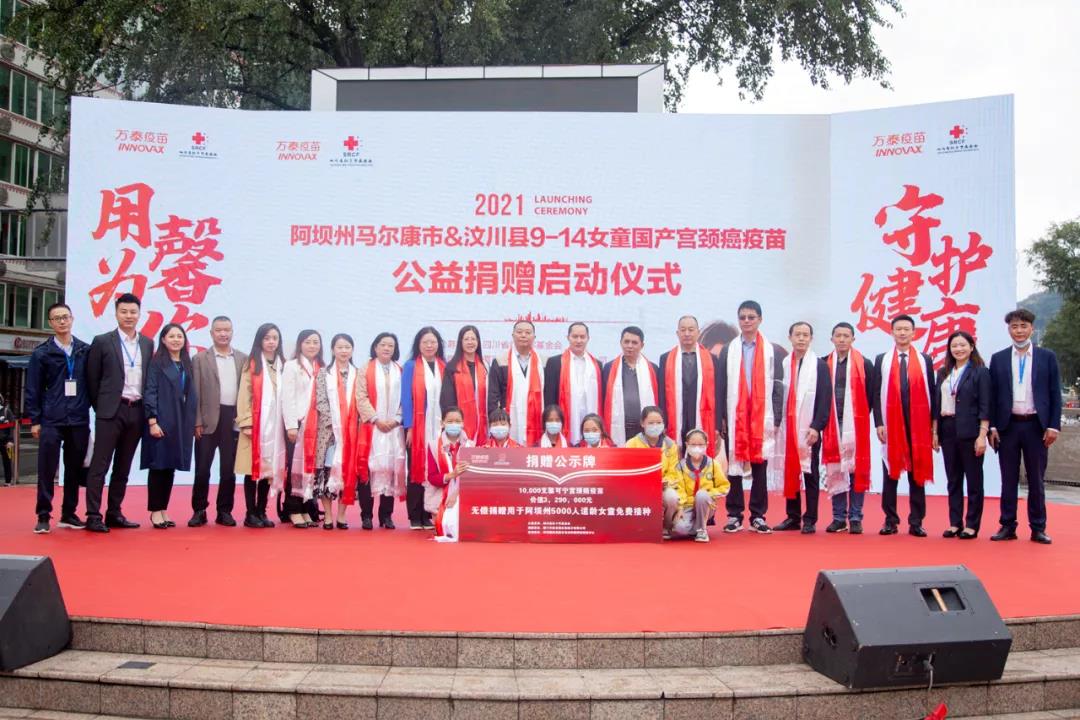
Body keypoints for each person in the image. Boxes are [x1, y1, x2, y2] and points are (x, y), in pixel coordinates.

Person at [988, 308, 1060, 545]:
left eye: (1023, 326)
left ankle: (1038, 527)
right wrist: (993, 426)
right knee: (1008, 479)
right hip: (1007, 426)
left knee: (1036, 479)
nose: (1019, 331)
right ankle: (1007, 525)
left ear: (1032, 328)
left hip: (1035, 426)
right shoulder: (998, 358)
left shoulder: (1046, 357)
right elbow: (992, 396)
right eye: (1014, 327)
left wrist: (1053, 425)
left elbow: (1054, 393)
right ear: (1009, 330)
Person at [84, 293, 154, 533]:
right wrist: (102, 407)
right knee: (100, 465)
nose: (128, 316)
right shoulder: (103, 341)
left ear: (139, 314)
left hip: (137, 411)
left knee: (123, 467)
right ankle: (93, 515)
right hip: (110, 412)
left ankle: (114, 512)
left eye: (133, 312)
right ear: (116, 314)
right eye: (124, 312)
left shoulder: (147, 343)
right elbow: (92, 379)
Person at [717, 300, 783, 534]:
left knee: (760, 466)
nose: (746, 321)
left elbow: (778, 386)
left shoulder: (771, 351)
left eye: (751, 317)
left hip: (761, 416)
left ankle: (758, 515)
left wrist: (776, 418)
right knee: (734, 465)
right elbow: (721, 386)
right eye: (742, 317)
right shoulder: (729, 350)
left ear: (760, 320)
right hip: (734, 415)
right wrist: (721, 418)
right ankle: (734, 514)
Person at [27, 302, 91, 534]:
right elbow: (33, 388)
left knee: (74, 468)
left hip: (79, 418)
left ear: (72, 319)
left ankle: (69, 513)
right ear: (50, 323)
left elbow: (93, 384)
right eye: (57, 318)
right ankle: (43, 514)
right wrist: (35, 420)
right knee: (47, 468)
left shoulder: (84, 350)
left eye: (65, 317)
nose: (62, 321)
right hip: (52, 419)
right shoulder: (42, 353)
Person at [872, 314, 936, 537]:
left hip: (918, 424)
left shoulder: (924, 359)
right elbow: (876, 393)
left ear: (913, 333)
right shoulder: (882, 359)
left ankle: (916, 521)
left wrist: (933, 426)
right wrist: (879, 422)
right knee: (891, 473)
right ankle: (890, 520)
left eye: (906, 329)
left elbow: (932, 393)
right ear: (892, 332)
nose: (902, 333)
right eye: (898, 329)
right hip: (891, 424)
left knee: (917, 474)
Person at [770, 322, 832, 534]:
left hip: (809, 429)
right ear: (790, 337)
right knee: (790, 471)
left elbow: (824, 399)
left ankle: (810, 518)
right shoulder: (785, 363)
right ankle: (793, 516)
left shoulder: (819, 365)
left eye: (806, 335)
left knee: (810, 474)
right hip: (787, 427)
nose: (801, 339)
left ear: (811, 338)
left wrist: (817, 427)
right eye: (798, 334)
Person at [190, 316, 248, 527]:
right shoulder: (199, 359)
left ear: (232, 332)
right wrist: (196, 421)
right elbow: (195, 393)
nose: (223, 334)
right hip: (207, 420)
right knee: (202, 469)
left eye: (227, 330)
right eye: (219, 330)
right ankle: (199, 510)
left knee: (228, 470)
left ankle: (224, 511)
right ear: (211, 333)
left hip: (232, 419)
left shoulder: (242, 358)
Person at [933, 331, 991, 539]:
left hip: (970, 431)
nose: (958, 349)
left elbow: (985, 405)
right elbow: (936, 404)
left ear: (971, 347)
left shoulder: (980, 372)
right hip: (947, 429)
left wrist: (982, 435)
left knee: (974, 480)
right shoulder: (943, 372)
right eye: (954, 346)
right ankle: (955, 522)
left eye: (962, 345)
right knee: (953, 479)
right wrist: (935, 431)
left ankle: (972, 524)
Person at [141, 323, 197, 529]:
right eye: (171, 336)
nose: (176, 340)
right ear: (163, 340)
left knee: (170, 467)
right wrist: (152, 421)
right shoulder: (157, 363)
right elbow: (150, 391)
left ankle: (163, 509)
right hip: (161, 420)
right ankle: (155, 511)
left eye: (179, 336)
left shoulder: (186, 363)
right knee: (158, 466)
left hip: (179, 422)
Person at [822, 322, 874, 534]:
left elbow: (871, 395)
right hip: (832, 424)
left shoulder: (865, 364)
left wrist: (859, 417)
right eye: (838, 336)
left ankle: (855, 517)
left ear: (853, 339)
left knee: (855, 469)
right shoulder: (824, 363)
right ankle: (838, 517)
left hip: (856, 424)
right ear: (832, 339)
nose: (842, 339)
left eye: (846, 336)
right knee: (836, 469)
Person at [235, 323, 287, 529]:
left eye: (275, 338)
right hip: (255, 426)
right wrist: (246, 422)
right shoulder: (252, 364)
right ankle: (250, 513)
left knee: (269, 470)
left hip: (276, 427)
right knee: (252, 470)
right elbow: (244, 395)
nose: (271, 342)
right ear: (259, 340)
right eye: (267, 338)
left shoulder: (284, 364)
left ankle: (262, 511)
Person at [357, 332, 406, 530]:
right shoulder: (365, 369)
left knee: (390, 469)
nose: (386, 348)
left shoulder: (400, 370)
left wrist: (396, 419)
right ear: (375, 347)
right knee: (369, 469)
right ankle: (366, 515)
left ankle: (386, 515)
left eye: (390, 345)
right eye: (383, 344)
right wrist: (376, 419)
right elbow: (361, 396)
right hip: (372, 428)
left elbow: (406, 399)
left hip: (394, 428)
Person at [313, 333, 360, 530]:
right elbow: (321, 400)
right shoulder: (324, 373)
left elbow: (361, 400)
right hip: (329, 432)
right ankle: (328, 515)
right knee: (326, 472)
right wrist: (336, 422)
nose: (343, 351)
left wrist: (350, 422)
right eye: (340, 347)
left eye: (347, 347)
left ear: (352, 350)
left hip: (352, 432)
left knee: (347, 472)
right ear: (333, 350)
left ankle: (341, 515)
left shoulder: (358, 374)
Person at [402, 326, 446, 530]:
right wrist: (409, 427)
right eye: (425, 342)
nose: (429, 346)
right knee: (416, 468)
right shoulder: (411, 366)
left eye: (433, 342)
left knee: (435, 468)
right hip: (417, 428)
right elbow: (406, 398)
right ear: (418, 345)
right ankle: (415, 515)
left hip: (438, 428)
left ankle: (429, 513)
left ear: (438, 345)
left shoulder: (444, 366)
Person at [658, 315, 721, 455]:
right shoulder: (665, 359)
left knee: (698, 458)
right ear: (677, 333)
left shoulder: (711, 359)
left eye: (691, 330)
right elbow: (662, 394)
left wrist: (717, 425)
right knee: (675, 457)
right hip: (675, 418)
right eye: (683, 330)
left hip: (701, 416)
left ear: (698, 332)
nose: (687, 333)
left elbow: (717, 394)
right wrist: (663, 423)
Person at [280, 329, 323, 528]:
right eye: (308, 342)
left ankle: (306, 508)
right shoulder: (291, 366)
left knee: (311, 468)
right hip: (297, 423)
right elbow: (287, 397)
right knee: (294, 468)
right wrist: (291, 425)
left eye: (316, 342)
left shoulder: (322, 367)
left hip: (317, 426)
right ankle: (292, 509)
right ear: (300, 345)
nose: (312, 346)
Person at [663, 428, 730, 542]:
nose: (697, 448)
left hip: (706, 505)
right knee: (680, 529)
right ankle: (694, 527)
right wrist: (680, 508)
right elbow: (679, 489)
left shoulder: (713, 465)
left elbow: (724, 487)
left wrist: (709, 494)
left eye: (700, 445)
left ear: (706, 445)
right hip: (687, 506)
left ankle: (701, 530)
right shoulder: (680, 466)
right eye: (693, 445)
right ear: (687, 445)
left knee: (701, 495)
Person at [488, 320, 545, 446]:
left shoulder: (544, 362)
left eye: (528, 332)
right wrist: (497, 424)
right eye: (519, 332)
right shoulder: (501, 361)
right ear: (513, 335)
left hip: (536, 420)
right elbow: (493, 396)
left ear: (534, 337)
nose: (523, 335)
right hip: (508, 421)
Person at [544, 322, 602, 445]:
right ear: (568, 338)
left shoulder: (597, 364)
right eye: (575, 336)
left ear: (588, 338)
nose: (579, 340)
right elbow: (549, 397)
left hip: (589, 416)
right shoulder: (555, 362)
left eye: (582, 337)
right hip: (566, 418)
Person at [601, 326, 659, 446]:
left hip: (644, 426)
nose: (630, 346)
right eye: (626, 342)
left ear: (642, 345)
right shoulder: (609, 368)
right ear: (621, 343)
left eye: (634, 342)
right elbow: (603, 399)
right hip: (619, 426)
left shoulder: (653, 369)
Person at [427, 406, 472, 542]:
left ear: (463, 423)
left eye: (457, 421)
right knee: (444, 526)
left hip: (464, 494)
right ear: (442, 423)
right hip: (441, 494)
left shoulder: (471, 446)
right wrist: (452, 474)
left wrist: (456, 495)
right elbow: (432, 478)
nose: (454, 424)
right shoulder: (433, 446)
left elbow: (473, 479)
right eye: (450, 421)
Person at [440, 325, 488, 445]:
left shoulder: (485, 366)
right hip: (459, 424)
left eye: (473, 339)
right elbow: (447, 399)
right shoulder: (452, 367)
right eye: (466, 339)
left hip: (482, 423)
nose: (470, 342)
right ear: (460, 342)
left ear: (478, 342)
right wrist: (454, 422)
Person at [625, 406, 680, 493]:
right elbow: (628, 470)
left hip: (663, 487)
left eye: (659, 423)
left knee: (672, 497)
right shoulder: (632, 444)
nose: (655, 426)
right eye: (651, 423)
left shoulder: (670, 445)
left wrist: (664, 482)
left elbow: (673, 472)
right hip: (639, 486)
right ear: (642, 423)